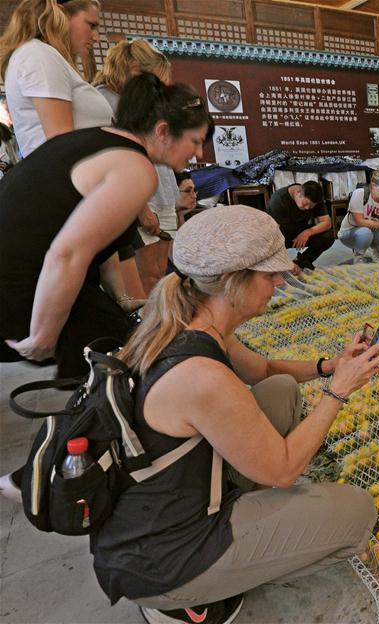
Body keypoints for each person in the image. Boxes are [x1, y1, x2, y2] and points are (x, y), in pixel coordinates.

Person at [92, 205, 379, 624]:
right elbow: (283, 470)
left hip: (167, 507)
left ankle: (239, 532)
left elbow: (263, 370)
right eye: (269, 275)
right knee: (357, 515)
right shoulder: (199, 376)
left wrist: (327, 367)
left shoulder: (187, 323)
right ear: (230, 282)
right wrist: (339, 391)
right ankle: (190, 598)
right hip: (165, 557)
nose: (280, 281)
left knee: (279, 390)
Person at [0, 73, 213, 378]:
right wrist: (45, 335)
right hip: (21, 285)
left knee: (125, 332)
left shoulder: (98, 139)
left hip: (29, 275)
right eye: (195, 141)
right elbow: (67, 253)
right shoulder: (136, 168)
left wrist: (124, 301)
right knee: (130, 361)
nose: (199, 153)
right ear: (163, 130)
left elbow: (99, 246)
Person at [93, 37, 176, 297]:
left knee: (162, 274)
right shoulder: (105, 100)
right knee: (146, 279)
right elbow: (116, 157)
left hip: (160, 193)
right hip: (142, 201)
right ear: (134, 69)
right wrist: (142, 208)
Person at [0, 0, 111, 158]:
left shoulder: (43, 55)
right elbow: (61, 145)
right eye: (91, 25)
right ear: (63, 14)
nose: (96, 37)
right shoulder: (39, 55)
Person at [266, 180, 334, 273]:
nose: (307, 208)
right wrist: (285, 261)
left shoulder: (314, 197)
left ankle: (300, 262)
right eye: (305, 204)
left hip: (299, 231)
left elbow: (327, 223)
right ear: (298, 192)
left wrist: (307, 232)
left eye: (311, 206)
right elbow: (273, 234)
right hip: (278, 234)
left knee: (328, 236)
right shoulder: (279, 200)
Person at [338, 169, 379, 263]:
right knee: (365, 233)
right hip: (350, 233)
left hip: (372, 231)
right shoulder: (360, 193)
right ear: (373, 185)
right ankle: (359, 256)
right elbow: (359, 221)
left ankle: (376, 251)